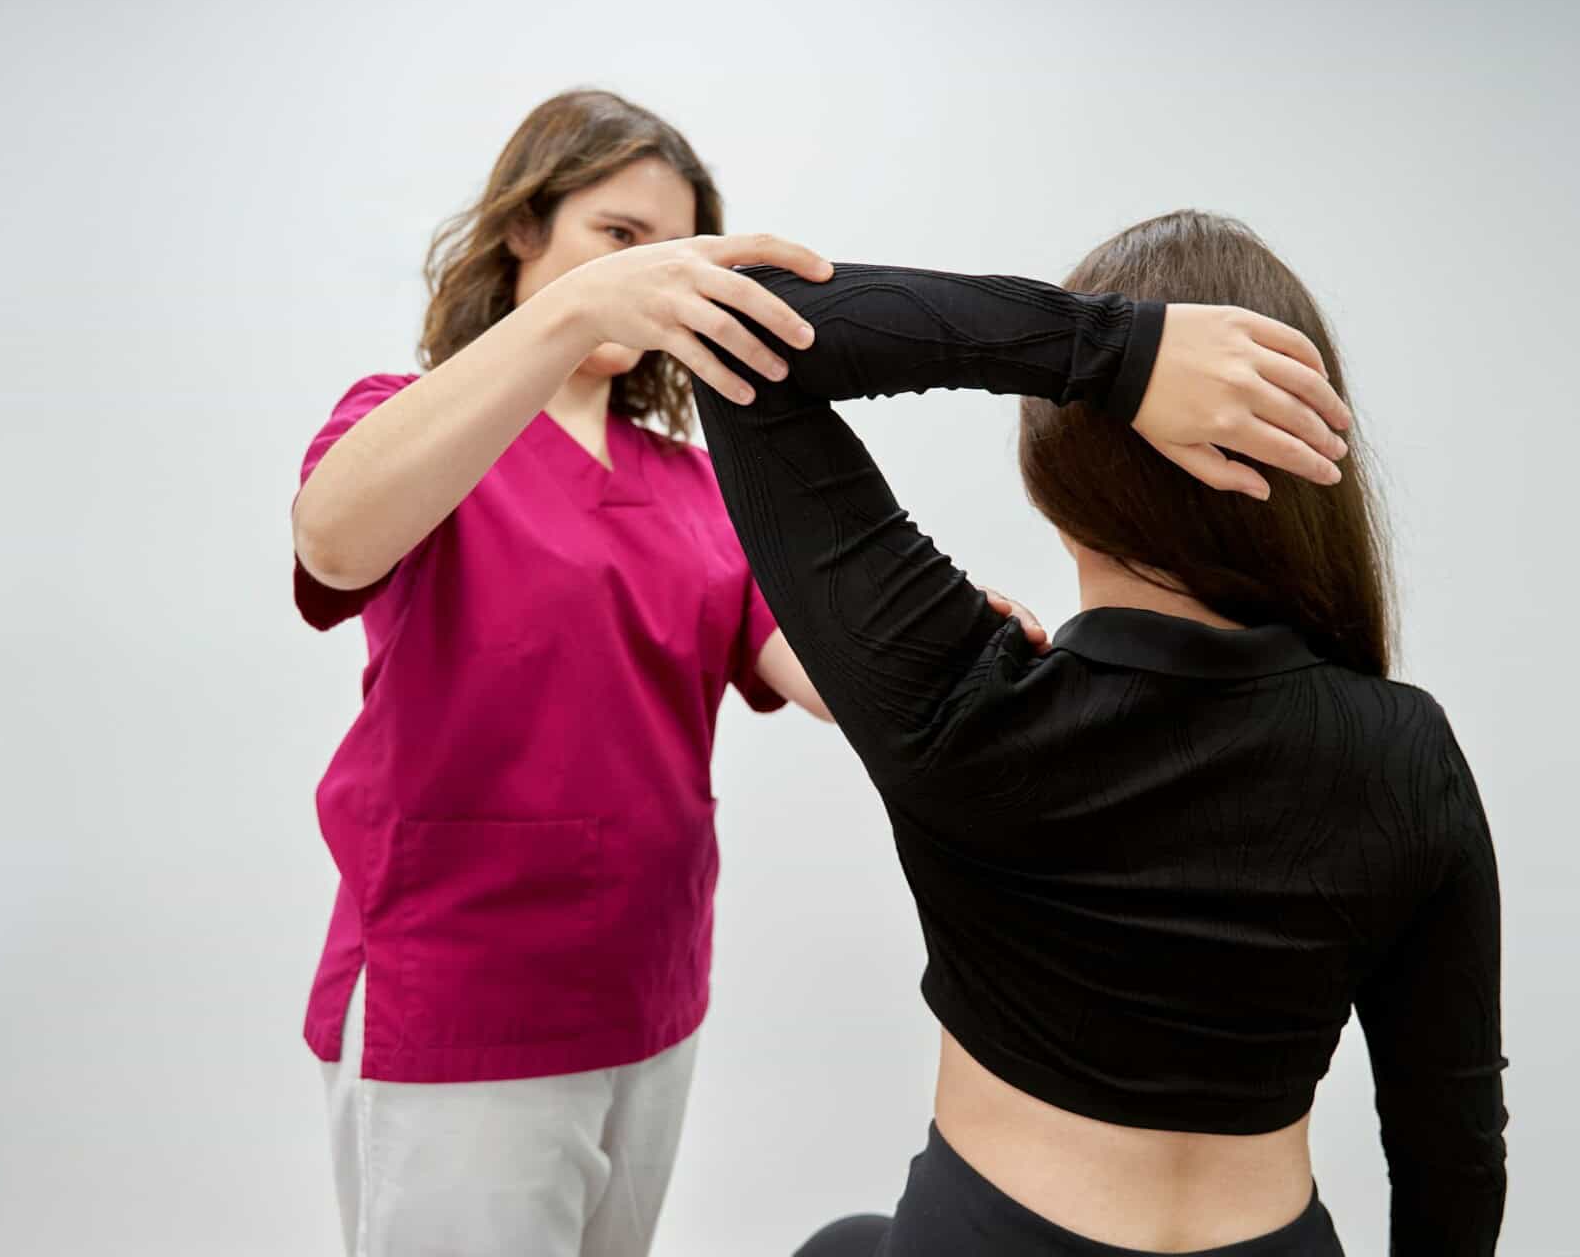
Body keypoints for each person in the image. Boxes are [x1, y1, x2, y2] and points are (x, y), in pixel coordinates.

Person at [286, 89, 1123, 1257]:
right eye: (616, 237)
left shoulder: (693, 483)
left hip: (647, 994)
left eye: (666, 250)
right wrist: (576, 317)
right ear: (525, 231)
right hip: (460, 1004)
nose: (645, 271)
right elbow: (333, 538)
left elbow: (823, 661)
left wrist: (956, 641)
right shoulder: (408, 418)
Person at [688, 213, 1508, 1255]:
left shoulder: (960, 699)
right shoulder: (1408, 750)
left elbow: (732, 329)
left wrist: (1110, 352)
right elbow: (1453, 1152)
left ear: (1057, 463)